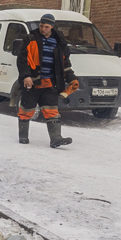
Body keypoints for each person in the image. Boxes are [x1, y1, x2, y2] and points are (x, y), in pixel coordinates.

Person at [17, 13, 79, 148]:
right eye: (41, 26)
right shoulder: (30, 38)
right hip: (32, 82)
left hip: (50, 82)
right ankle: (23, 135)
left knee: (52, 111)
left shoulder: (58, 41)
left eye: (46, 26)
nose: (43, 29)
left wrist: (72, 78)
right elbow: (22, 59)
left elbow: (65, 63)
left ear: (52, 26)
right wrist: (26, 76)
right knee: (26, 110)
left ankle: (56, 138)